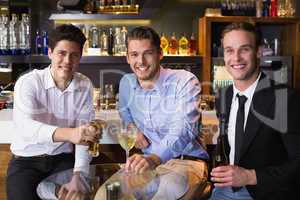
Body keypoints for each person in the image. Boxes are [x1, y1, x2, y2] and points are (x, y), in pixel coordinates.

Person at [6, 24, 101, 200]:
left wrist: (78, 174)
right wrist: (70, 134)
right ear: (50, 53)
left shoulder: (84, 85)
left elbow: (83, 135)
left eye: (74, 55)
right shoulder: (29, 82)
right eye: (61, 53)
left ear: (80, 57)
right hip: (26, 161)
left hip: (62, 160)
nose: (67, 61)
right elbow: (26, 127)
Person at [210, 22, 300, 200]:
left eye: (244, 49)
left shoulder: (286, 98)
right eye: (229, 50)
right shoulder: (224, 95)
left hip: (267, 192)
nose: (236, 58)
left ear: (258, 52)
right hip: (225, 189)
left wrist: (250, 176)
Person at [118, 26, 209, 198]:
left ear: (160, 53)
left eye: (148, 53)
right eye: (135, 54)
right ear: (127, 57)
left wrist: (154, 158)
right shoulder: (126, 83)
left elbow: (183, 130)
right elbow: (124, 111)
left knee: (165, 193)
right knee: (110, 193)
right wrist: (133, 128)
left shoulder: (184, 80)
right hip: (147, 165)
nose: (141, 61)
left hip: (186, 162)